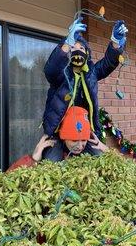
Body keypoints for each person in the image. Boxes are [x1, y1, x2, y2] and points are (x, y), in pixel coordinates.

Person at [42, 17, 128, 145]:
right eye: (73, 48)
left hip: (85, 133)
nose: (77, 51)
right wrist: (67, 43)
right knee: (52, 160)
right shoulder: (61, 73)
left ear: (87, 54)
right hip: (57, 134)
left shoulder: (92, 72)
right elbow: (51, 70)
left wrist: (115, 44)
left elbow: (108, 63)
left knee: (97, 157)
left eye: (81, 49)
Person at [7, 107, 108, 172]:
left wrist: (107, 150)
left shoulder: (92, 152)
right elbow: (10, 179)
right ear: (63, 138)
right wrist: (33, 159)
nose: (79, 145)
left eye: (84, 140)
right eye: (74, 140)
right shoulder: (51, 154)